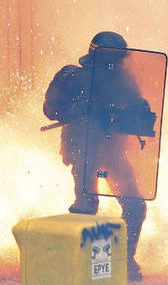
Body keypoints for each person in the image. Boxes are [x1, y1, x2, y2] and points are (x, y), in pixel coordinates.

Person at [44, 31, 155, 281]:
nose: (115, 65)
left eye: (118, 60)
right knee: (86, 207)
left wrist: (142, 116)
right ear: (98, 56)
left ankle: (124, 259)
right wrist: (75, 109)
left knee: (135, 205)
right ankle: (78, 264)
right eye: (111, 60)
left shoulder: (124, 82)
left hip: (113, 153)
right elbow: (50, 109)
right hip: (84, 152)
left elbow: (136, 112)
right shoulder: (72, 77)